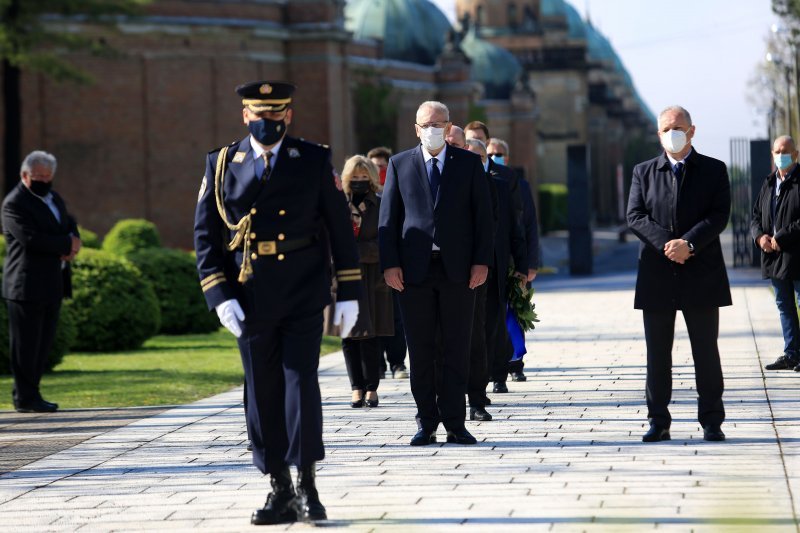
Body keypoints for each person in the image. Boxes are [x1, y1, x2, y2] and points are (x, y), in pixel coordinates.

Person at [194, 80, 361, 525]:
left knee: (300, 384)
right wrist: (218, 293)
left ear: (288, 116)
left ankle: (307, 483)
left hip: (302, 289)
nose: (267, 123)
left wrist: (349, 291)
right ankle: (279, 488)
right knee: (261, 392)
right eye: (258, 116)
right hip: (248, 294)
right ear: (245, 117)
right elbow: (206, 235)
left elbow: (339, 228)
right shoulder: (223, 162)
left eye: (275, 116)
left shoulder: (311, 158)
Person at [379, 101, 493, 446]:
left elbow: (483, 219)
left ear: (448, 127)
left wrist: (481, 261)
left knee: (457, 347)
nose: (432, 129)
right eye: (426, 124)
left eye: (439, 123)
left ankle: (456, 423)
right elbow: (388, 221)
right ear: (416, 128)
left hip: (458, 271)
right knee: (422, 348)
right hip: (414, 272)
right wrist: (390, 264)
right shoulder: (400, 165)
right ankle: (426, 421)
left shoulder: (469, 164)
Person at [626, 105, 730, 443]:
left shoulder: (714, 170)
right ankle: (659, 420)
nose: (674, 133)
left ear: (692, 131)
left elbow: (719, 215)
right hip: (657, 273)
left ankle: (712, 420)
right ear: (659, 134)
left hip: (701, 272)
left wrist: (689, 243)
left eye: (679, 127)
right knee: (657, 353)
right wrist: (667, 245)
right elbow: (635, 215)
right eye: (667, 128)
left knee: (706, 350)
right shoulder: (644, 171)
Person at [2, 150, 80, 413]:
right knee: (25, 345)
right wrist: (66, 243)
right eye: (38, 176)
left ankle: (33, 393)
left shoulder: (52, 198)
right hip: (25, 286)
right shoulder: (15, 203)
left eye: (48, 177)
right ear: (25, 175)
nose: (44, 181)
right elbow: (30, 239)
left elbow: (68, 221)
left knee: (42, 343)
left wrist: (74, 239)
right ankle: (24, 397)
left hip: (52, 282)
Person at [464, 138, 527, 421]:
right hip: (465, 267)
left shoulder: (501, 183)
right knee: (472, 324)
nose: (475, 162)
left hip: (496, 264)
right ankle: (479, 375)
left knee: (494, 320)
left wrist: (522, 265)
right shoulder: (457, 185)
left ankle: (498, 372)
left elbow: (517, 226)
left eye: (479, 157)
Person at [338, 155, 394, 407]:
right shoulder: (338, 205)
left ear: (371, 178)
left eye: (364, 177)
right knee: (348, 334)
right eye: (355, 177)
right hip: (343, 276)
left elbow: (387, 243)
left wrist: (356, 251)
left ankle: (372, 387)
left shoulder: (380, 204)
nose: (359, 181)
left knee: (370, 333)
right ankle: (355, 387)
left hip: (372, 276)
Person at [488, 137, 540, 384]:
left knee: (516, 313)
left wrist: (530, 262)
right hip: (494, 260)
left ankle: (516, 362)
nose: (494, 156)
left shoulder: (519, 184)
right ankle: (497, 364)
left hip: (514, 260)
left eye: (498, 153)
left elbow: (527, 225)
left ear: (506, 158)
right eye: (490, 153)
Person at [752, 135, 800, 372]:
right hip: (774, 257)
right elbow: (755, 217)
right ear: (772, 155)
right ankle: (791, 353)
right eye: (777, 151)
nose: (781, 155)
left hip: (797, 254)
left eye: (786, 151)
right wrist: (760, 237)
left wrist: (781, 237)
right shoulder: (769, 183)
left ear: (796, 154)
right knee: (784, 305)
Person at [368, 146, 408, 380]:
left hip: (392, 262)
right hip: (370, 266)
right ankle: (377, 364)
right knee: (372, 317)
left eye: (382, 166)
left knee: (394, 317)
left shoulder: (396, 192)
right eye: (374, 167)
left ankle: (397, 362)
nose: (378, 171)